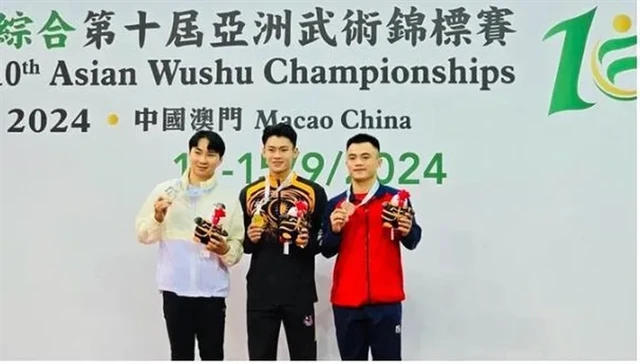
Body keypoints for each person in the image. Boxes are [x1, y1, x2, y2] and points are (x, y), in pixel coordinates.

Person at [135, 130, 245, 361]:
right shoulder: (165, 192)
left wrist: (224, 249)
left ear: (220, 160)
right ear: (189, 153)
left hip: (211, 293)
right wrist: (157, 217)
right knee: (180, 354)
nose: (203, 160)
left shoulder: (228, 197)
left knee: (213, 355)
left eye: (211, 154)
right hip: (175, 290)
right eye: (198, 152)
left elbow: (236, 248)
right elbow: (143, 235)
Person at [321, 133, 422, 360]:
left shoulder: (396, 199)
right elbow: (326, 249)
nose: (359, 162)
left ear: (379, 161)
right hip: (346, 302)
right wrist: (335, 231)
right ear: (346, 162)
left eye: (366, 157)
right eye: (353, 157)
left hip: (386, 303)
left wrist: (407, 231)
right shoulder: (335, 204)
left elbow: (413, 239)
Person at [239, 123, 328, 360]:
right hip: (261, 291)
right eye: (272, 149)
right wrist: (250, 238)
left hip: (299, 291)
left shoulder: (313, 191)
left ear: (295, 152)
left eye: (284, 149)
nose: (277, 155)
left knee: (304, 356)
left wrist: (306, 241)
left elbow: (323, 239)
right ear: (263, 152)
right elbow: (244, 245)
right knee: (260, 356)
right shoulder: (249, 192)